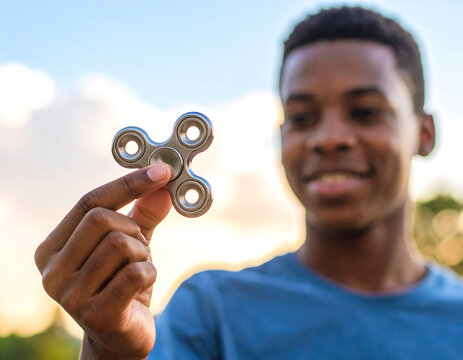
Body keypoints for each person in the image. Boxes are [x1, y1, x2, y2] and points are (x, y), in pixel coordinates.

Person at [35, 6, 463, 360]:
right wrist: (109, 348)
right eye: (301, 118)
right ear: (281, 137)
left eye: (365, 111)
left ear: (424, 133)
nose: (328, 138)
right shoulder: (209, 313)